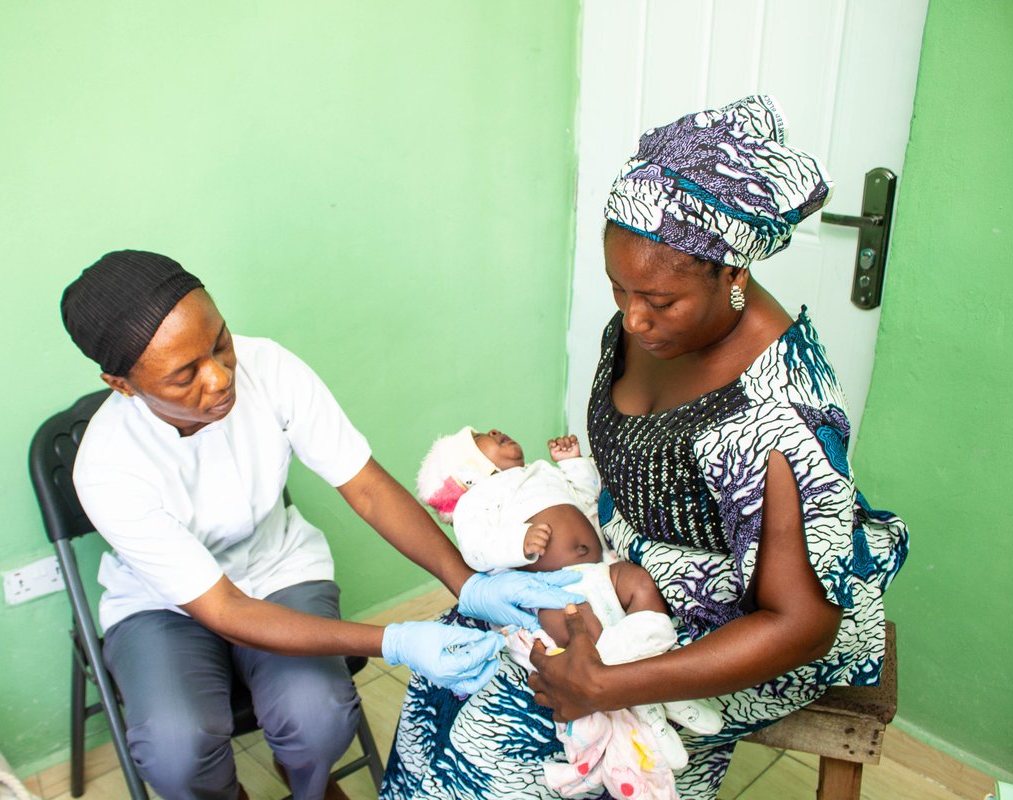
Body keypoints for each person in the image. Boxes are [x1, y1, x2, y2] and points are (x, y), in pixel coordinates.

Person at [380, 95, 908, 800]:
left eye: (660, 300)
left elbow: (801, 624)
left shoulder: (778, 419)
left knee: (510, 757)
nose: (633, 316)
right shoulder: (638, 323)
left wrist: (607, 683)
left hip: (736, 622)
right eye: (618, 287)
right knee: (450, 680)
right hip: (623, 564)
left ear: (733, 274)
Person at [58, 250, 586, 800]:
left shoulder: (270, 369)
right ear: (120, 384)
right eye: (184, 375)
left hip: (278, 565)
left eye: (219, 343)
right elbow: (226, 611)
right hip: (161, 605)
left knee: (320, 719)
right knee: (174, 751)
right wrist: (398, 640)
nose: (218, 379)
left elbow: (368, 489)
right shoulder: (107, 467)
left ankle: (305, 784)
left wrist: (468, 583)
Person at [412, 427, 722, 799]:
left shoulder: (542, 471)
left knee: (641, 584)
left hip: (601, 570)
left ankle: (646, 683)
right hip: (552, 591)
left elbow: (585, 498)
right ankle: (650, 714)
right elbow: (476, 550)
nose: (493, 430)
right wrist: (518, 544)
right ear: (468, 472)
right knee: (583, 636)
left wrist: (573, 465)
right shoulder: (476, 500)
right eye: (479, 436)